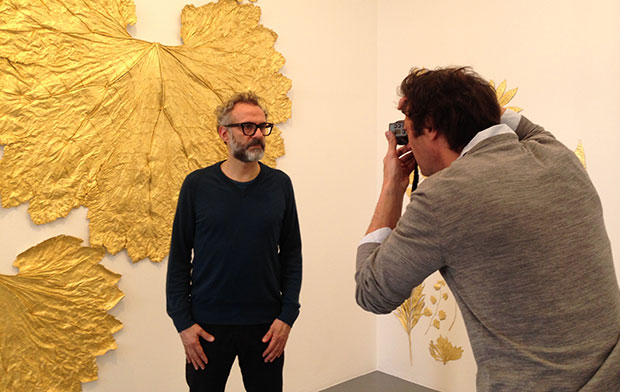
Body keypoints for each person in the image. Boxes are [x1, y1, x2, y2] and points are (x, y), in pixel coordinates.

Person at [356, 67, 620, 391]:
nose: (407, 141)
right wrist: (453, 101)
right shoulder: (556, 154)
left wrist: (391, 187)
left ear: (430, 127)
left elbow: (371, 292)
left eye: (409, 132)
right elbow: (513, 122)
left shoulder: (442, 197)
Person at [166, 92, 302, 392]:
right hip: (206, 328)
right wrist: (183, 323)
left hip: (266, 327)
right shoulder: (196, 185)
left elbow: (292, 254)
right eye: (247, 127)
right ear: (223, 133)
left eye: (262, 126)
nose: (257, 135)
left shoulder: (280, 185)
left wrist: (287, 316)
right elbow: (178, 259)